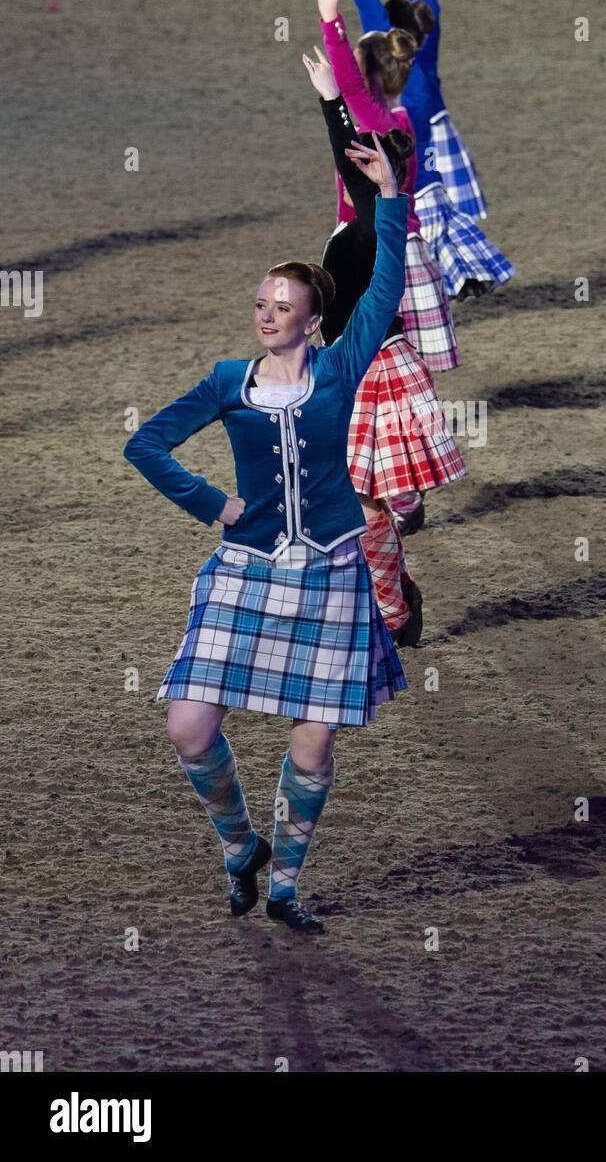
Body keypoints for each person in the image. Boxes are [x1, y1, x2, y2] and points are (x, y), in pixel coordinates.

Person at [123, 132, 410, 935]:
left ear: (315, 320)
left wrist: (389, 193)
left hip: (329, 573)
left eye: (282, 307)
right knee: (188, 724)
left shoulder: (343, 367)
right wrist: (209, 501)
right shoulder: (227, 381)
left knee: (313, 749)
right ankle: (239, 844)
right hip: (245, 569)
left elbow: (385, 283)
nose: (267, 316)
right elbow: (143, 443)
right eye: (260, 304)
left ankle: (284, 883)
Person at [303, 46, 467, 611]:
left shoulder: (378, 222)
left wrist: (330, 98)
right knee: (363, 500)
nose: (347, 170)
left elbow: (354, 167)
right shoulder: (364, 222)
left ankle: (395, 606)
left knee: (362, 500)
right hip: (358, 369)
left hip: (375, 372)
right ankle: (397, 601)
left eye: (358, 164)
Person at [339, 0, 515, 302]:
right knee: (432, 206)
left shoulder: (392, 76)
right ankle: (464, 272)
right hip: (424, 136)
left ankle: (450, 277)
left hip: (408, 140)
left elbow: (373, 16)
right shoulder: (422, 33)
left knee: (410, 213)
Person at [314, 0, 461, 379]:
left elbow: (347, 84)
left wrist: (332, 23)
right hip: (395, 240)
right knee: (400, 355)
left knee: (366, 346)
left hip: (373, 244)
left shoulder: (375, 122)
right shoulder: (400, 116)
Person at [348, 0, 491, 223]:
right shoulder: (405, 8)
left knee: (425, 200)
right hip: (417, 107)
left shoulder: (421, 4)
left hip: (417, 110)